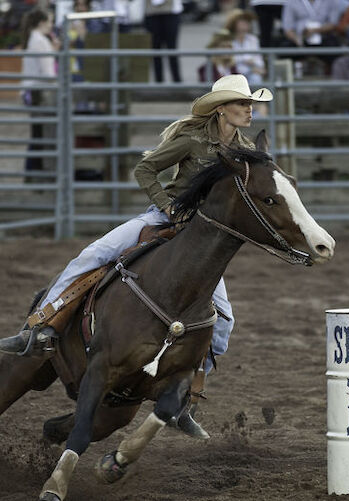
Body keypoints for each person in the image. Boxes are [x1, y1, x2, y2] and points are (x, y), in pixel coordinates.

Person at [0, 74, 273, 436]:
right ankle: (42, 328)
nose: (249, 110)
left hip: (199, 238)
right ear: (221, 109)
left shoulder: (243, 150)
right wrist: (168, 206)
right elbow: (145, 168)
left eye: (250, 104)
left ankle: (187, 397)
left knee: (223, 322)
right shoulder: (191, 140)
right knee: (90, 257)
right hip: (162, 217)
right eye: (242, 104)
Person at [21, 8, 57, 180]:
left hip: (33, 91)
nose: (52, 25)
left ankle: (31, 173)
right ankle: (34, 173)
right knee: (40, 135)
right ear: (42, 22)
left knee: (37, 133)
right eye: (50, 21)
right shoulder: (40, 40)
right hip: (40, 92)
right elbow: (48, 74)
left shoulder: (33, 38)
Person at [144, 0, 183, 82]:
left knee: (172, 49)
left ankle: (177, 81)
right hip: (151, 12)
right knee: (155, 49)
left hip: (171, 12)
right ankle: (159, 81)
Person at [224, 9, 266, 86]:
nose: (246, 23)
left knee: (256, 79)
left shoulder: (253, 39)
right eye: (242, 21)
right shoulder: (227, 39)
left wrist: (253, 66)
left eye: (247, 21)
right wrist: (246, 61)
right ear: (234, 23)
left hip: (251, 73)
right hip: (231, 74)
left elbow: (259, 62)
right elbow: (227, 60)